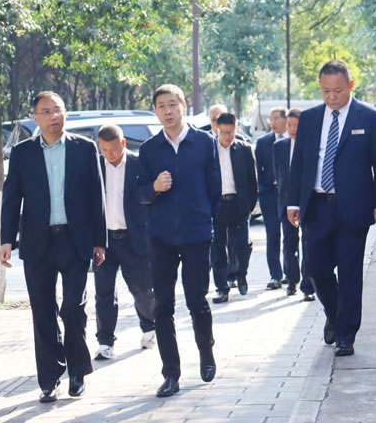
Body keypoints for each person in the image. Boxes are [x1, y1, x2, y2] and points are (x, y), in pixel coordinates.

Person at [0, 91, 106, 403]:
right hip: (38, 242)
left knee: (73, 307)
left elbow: (96, 195)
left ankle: (77, 372)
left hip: (75, 240)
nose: (53, 116)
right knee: (43, 311)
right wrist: (6, 239)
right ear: (35, 118)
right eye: (45, 111)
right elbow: (11, 197)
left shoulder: (84, 148)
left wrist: (100, 241)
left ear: (65, 113)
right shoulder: (23, 153)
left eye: (57, 110)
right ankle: (49, 378)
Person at [287, 60, 376, 357]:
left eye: (337, 90)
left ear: (350, 85)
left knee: (349, 272)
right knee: (315, 268)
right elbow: (299, 163)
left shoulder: (369, 117)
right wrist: (293, 201)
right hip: (316, 206)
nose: (332, 97)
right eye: (325, 91)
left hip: (353, 208)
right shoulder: (309, 119)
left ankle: (346, 334)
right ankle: (334, 314)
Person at [137, 84, 221, 397]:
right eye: (161, 106)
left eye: (173, 104)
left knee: (197, 300)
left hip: (196, 234)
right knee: (163, 306)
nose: (168, 111)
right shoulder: (149, 149)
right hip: (160, 238)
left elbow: (215, 190)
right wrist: (154, 188)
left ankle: (206, 353)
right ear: (155, 111)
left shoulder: (204, 143)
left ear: (184, 106)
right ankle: (170, 373)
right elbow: (139, 193)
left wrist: (207, 221)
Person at [94, 124, 157, 360]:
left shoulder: (139, 164)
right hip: (104, 241)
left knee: (143, 290)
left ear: (122, 143)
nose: (109, 155)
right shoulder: (95, 166)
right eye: (103, 150)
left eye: (112, 149)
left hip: (134, 238)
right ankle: (105, 342)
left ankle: (149, 328)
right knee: (103, 293)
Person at [210, 113, 258, 303]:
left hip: (238, 204)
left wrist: (250, 205)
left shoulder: (244, 149)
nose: (227, 136)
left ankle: (241, 274)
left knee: (242, 245)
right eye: (223, 132)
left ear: (236, 129)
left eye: (230, 132)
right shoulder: (209, 150)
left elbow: (252, 180)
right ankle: (221, 288)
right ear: (217, 129)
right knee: (217, 248)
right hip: (217, 205)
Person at [273, 109, 315, 300]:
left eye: (296, 126)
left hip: (307, 202)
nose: (292, 129)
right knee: (289, 243)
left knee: (308, 243)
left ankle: (308, 286)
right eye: (289, 125)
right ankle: (291, 281)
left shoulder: (310, 146)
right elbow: (279, 175)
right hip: (286, 202)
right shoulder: (279, 147)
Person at [255, 107, 287, 289]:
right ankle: (275, 275)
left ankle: (291, 274)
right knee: (272, 235)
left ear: (285, 120)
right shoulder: (263, 142)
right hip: (269, 194)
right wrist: (262, 187)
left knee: (290, 236)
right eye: (271, 119)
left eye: (276, 118)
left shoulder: (294, 139)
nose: (272, 122)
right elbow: (257, 169)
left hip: (288, 195)